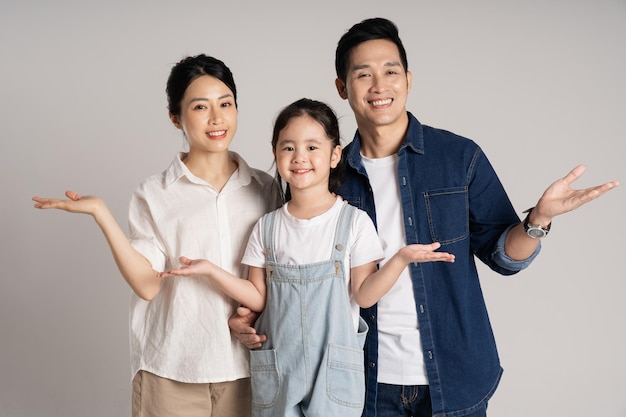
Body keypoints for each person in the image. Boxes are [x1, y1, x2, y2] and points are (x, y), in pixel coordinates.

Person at [230, 18, 620, 417]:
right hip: (360, 384)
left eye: (390, 72)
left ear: (408, 80)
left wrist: (539, 219)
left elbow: (505, 257)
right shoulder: (324, 176)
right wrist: (252, 319)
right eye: (364, 74)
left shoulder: (457, 157)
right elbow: (288, 277)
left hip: (453, 378)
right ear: (342, 88)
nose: (379, 86)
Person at [159, 98, 456, 417]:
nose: (300, 157)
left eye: (312, 147)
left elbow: (364, 295)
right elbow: (258, 298)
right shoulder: (267, 228)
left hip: (334, 375)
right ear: (275, 153)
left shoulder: (353, 223)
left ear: (334, 155)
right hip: (279, 374)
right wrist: (211, 271)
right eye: (288, 148)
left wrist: (399, 259)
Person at [32, 54, 281, 417]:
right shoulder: (154, 193)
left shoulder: (266, 188)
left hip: (249, 370)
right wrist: (102, 214)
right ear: (175, 117)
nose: (217, 118)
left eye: (226, 104)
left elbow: (277, 277)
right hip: (172, 371)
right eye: (200, 107)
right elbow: (148, 284)